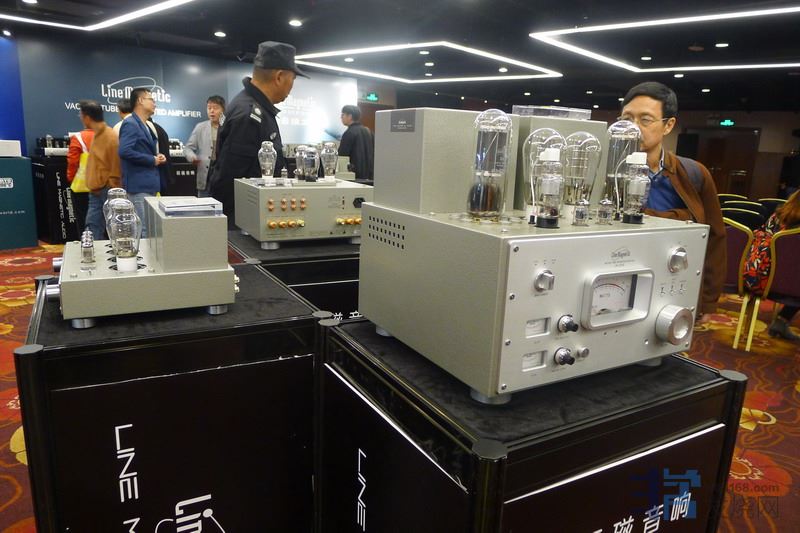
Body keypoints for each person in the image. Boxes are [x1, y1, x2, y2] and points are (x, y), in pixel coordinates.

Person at [620, 82, 726, 321]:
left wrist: (707, 300)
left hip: (671, 279)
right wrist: (679, 217)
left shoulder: (694, 174)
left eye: (645, 120)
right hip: (617, 279)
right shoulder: (605, 173)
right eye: (627, 119)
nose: (633, 128)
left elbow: (714, 238)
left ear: (668, 125)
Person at [208, 41, 308, 225]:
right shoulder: (249, 116)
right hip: (244, 222)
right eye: (293, 79)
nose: (292, 86)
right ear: (279, 77)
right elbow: (231, 180)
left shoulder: (251, 107)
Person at [743, 190, 800, 340]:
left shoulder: (777, 216)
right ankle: (782, 319)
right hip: (794, 287)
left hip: (762, 280)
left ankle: (780, 321)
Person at [118, 87, 167, 235]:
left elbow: (141, 150)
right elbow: (124, 151)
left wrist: (157, 157)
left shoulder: (144, 124)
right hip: (138, 187)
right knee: (143, 231)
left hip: (148, 186)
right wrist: (151, 160)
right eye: (151, 99)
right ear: (140, 100)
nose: (154, 103)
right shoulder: (130, 123)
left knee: (149, 230)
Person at [80, 100, 121, 238]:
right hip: (97, 190)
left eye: (81, 115)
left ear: (87, 117)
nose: (81, 118)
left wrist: (111, 185)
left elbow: (116, 165)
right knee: (93, 225)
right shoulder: (98, 135)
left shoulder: (109, 136)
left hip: (105, 190)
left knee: (98, 226)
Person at [185, 95, 225, 196]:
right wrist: (192, 157)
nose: (212, 111)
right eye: (209, 108)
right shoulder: (200, 127)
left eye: (215, 108)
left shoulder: (228, 126)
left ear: (223, 110)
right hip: (205, 175)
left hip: (223, 174)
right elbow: (188, 148)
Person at [67, 107, 95, 234]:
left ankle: (87, 243)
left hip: (83, 186)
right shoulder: (108, 135)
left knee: (84, 219)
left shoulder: (78, 138)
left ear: (86, 118)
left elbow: (73, 163)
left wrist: (71, 179)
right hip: (105, 185)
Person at [339, 105, 374, 181]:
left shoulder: (349, 133)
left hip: (353, 176)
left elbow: (342, 156)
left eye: (343, 115)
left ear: (350, 116)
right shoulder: (368, 131)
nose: (341, 117)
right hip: (370, 176)